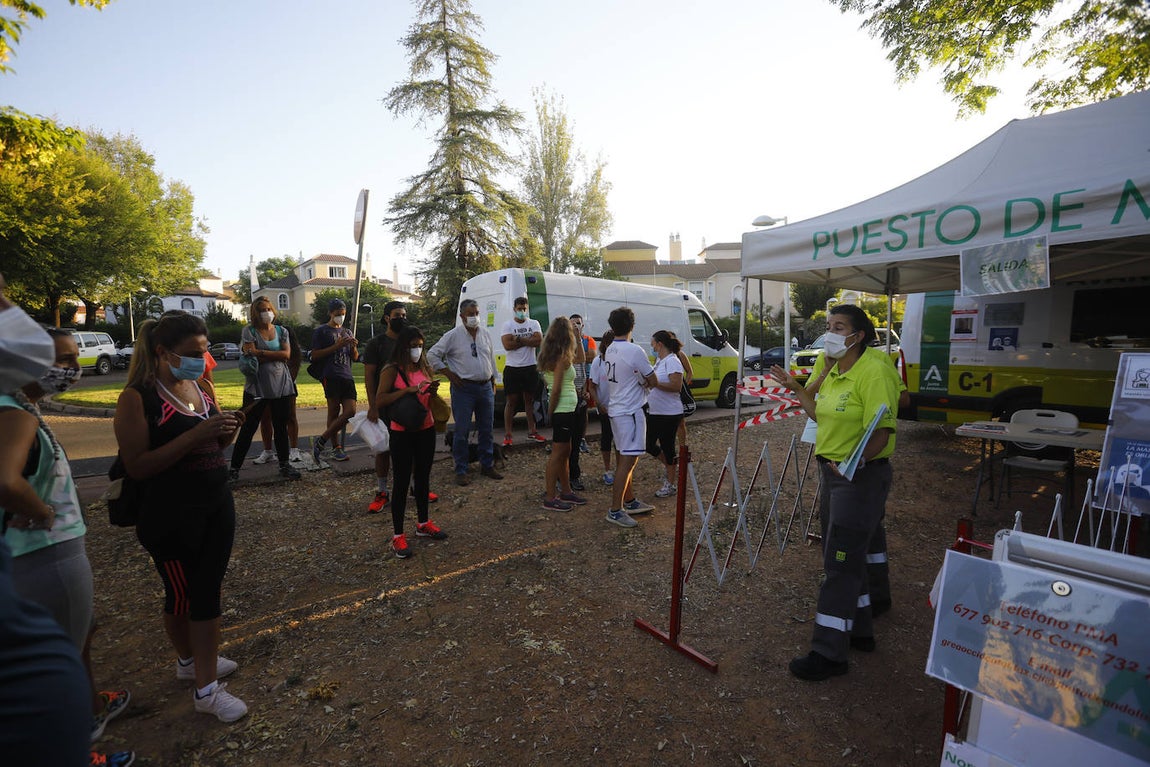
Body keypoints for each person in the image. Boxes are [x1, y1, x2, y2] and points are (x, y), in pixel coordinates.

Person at [113, 312, 249, 721]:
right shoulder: (137, 398)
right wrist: (197, 435)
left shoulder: (200, 385)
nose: (202, 359)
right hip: (169, 515)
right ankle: (204, 687)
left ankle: (193, 665)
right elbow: (137, 465)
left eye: (205, 350)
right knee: (185, 595)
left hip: (215, 503)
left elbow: (214, 443)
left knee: (208, 590)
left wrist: (229, 428)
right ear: (162, 352)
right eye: (193, 353)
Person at [0, 326, 132, 746]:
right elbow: (5, 481)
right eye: (61, 359)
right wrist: (42, 512)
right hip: (44, 554)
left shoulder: (20, 406)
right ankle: (80, 740)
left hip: (32, 556)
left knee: (78, 636)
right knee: (59, 658)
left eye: (74, 358)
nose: (73, 368)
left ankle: (90, 708)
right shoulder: (15, 414)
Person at [769, 304, 899, 681]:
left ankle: (829, 654)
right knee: (845, 557)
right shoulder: (837, 370)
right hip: (833, 473)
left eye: (838, 327)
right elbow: (818, 414)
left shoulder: (873, 371)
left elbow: (882, 431)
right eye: (828, 326)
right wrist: (795, 388)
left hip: (857, 477)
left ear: (858, 336)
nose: (830, 334)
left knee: (839, 564)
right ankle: (859, 632)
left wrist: (853, 465)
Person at [376, 327, 448, 559]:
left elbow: (425, 391)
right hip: (402, 432)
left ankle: (423, 523)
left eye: (421, 345)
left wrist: (431, 390)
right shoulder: (391, 369)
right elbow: (380, 399)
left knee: (423, 477)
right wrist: (408, 390)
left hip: (425, 427)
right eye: (413, 345)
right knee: (401, 481)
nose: (417, 350)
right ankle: (397, 535)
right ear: (404, 346)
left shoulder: (424, 366)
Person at [361, 301, 438, 512]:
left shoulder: (411, 343)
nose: (401, 319)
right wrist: (373, 406)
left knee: (412, 450)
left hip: (410, 407)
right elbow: (369, 376)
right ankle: (382, 490)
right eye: (397, 315)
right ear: (387, 317)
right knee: (383, 449)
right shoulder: (377, 344)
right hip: (386, 403)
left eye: (404, 315)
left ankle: (415, 487)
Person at [427, 300, 504, 486]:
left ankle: (487, 464)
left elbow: (490, 358)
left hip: (485, 386)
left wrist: (494, 378)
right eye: (470, 314)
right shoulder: (452, 336)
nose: (474, 317)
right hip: (464, 389)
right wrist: (448, 373)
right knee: (462, 430)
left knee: (487, 428)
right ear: (462, 316)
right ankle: (461, 468)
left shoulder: (485, 333)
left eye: (476, 313)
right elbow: (432, 354)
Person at [229, 297, 300, 482]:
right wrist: (273, 356)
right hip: (257, 387)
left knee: (281, 426)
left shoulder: (281, 331)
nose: (266, 312)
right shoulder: (249, 331)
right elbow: (252, 357)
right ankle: (234, 468)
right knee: (248, 427)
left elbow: (286, 355)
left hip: (281, 386)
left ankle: (284, 464)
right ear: (255, 312)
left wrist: (259, 352)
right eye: (262, 309)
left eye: (269, 308)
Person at [602, 308, 657, 527]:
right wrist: (646, 382)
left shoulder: (610, 348)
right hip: (630, 411)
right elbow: (651, 379)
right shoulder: (635, 350)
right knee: (628, 460)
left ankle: (629, 500)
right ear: (632, 325)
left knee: (624, 457)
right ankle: (616, 509)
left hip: (617, 409)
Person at [537, 317, 586, 511]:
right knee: (558, 453)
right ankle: (550, 496)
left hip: (567, 409)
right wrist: (551, 412)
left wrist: (580, 338)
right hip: (562, 410)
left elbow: (582, 358)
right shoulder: (559, 358)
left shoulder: (561, 354)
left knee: (566, 451)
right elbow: (555, 390)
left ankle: (566, 491)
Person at [310, 299, 359, 462]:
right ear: (330, 313)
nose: (340, 317)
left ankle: (321, 439)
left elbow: (355, 357)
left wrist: (353, 346)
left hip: (346, 375)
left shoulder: (347, 332)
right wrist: (336, 346)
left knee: (350, 411)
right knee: (333, 410)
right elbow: (315, 355)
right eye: (338, 314)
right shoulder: (322, 331)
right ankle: (336, 447)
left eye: (343, 314)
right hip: (330, 374)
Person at [253, 325, 303, 465]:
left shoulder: (291, 349)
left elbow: (293, 367)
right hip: (267, 386)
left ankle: (293, 449)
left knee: (290, 417)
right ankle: (268, 451)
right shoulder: (269, 344)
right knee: (266, 418)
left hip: (286, 387)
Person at [646, 330, 686, 499]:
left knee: (667, 447)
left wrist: (655, 383)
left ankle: (670, 483)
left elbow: (676, 386)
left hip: (669, 413)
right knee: (647, 444)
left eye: (653, 344)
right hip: (655, 411)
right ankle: (671, 467)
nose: (652, 346)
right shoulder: (659, 360)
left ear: (659, 344)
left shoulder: (672, 361)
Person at [500, 296, 544, 445]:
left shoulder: (534, 323)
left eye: (524, 308)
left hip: (530, 366)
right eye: (519, 309)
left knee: (529, 401)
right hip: (513, 368)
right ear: (514, 309)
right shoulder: (507, 325)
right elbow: (507, 345)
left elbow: (538, 341)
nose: (522, 311)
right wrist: (527, 340)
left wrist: (518, 339)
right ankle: (508, 435)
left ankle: (532, 431)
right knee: (511, 402)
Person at [567, 314, 597, 489]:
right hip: (568, 399)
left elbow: (585, 363)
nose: (577, 327)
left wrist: (584, 391)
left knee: (576, 441)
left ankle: (574, 475)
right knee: (566, 443)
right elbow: (579, 359)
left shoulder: (585, 341)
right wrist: (577, 340)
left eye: (579, 324)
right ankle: (564, 477)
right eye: (573, 325)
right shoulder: (565, 345)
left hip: (580, 394)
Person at [587, 330, 616, 486]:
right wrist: (599, 404)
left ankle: (621, 469)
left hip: (620, 407)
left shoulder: (620, 359)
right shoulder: (598, 362)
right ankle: (607, 470)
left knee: (620, 439)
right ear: (605, 344)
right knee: (606, 437)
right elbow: (592, 386)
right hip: (605, 407)